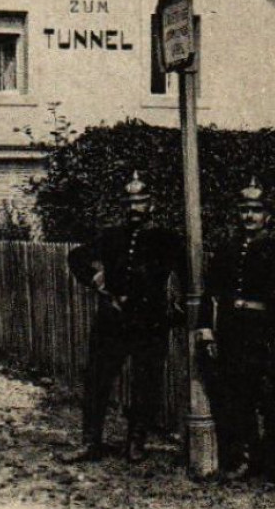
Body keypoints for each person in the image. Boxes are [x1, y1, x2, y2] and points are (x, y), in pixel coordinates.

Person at [60, 171, 186, 464]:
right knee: (97, 378)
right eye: (129, 202)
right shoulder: (111, 236)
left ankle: (136, 441)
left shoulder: (167, 239)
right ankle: (91, 442)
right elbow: (76, 257)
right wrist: (96, 279)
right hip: (112, 320)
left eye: (140, 202)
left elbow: (187, 273)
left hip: (149, 323)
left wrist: (176, 308)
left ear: (151, 204)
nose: (134, 208)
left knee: (146, 382)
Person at [197, 179, 275, 487]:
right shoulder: (227, 249)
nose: (249, 217)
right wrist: (205, 327)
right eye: (244, 210)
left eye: (255, 211)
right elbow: (211, 292)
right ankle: (246, 458)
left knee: (272, 398)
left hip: (265, 331)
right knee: (237, 397)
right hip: (232, 330)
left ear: (267, 216)